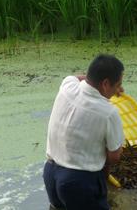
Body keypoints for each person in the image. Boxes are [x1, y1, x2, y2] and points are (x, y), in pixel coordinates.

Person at [43, 54, 125, 210]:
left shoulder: (67, 86)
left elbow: (78, 78)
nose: (118, 91)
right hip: (79, 183)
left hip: (51, 174)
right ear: (106, 84)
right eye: (117, 85)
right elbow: (114, 156)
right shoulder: (109, 113)